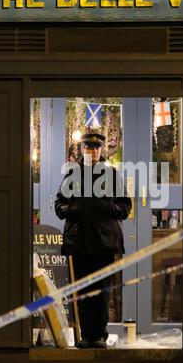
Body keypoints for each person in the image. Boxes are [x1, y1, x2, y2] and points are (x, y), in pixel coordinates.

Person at [55, 132, 132, 349]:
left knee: (102, 290)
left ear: (101, 150)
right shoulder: (72, 174)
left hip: (104, 242)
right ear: (82, 150)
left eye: (97, 148)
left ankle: (100, 335)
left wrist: (104, 207)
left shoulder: (111, 174)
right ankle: (86, 335)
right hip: (79, 241)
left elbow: (125, 208)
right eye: (89, 148)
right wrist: (76, 208)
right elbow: (59, 206)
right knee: (82, 291)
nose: (93, 152)